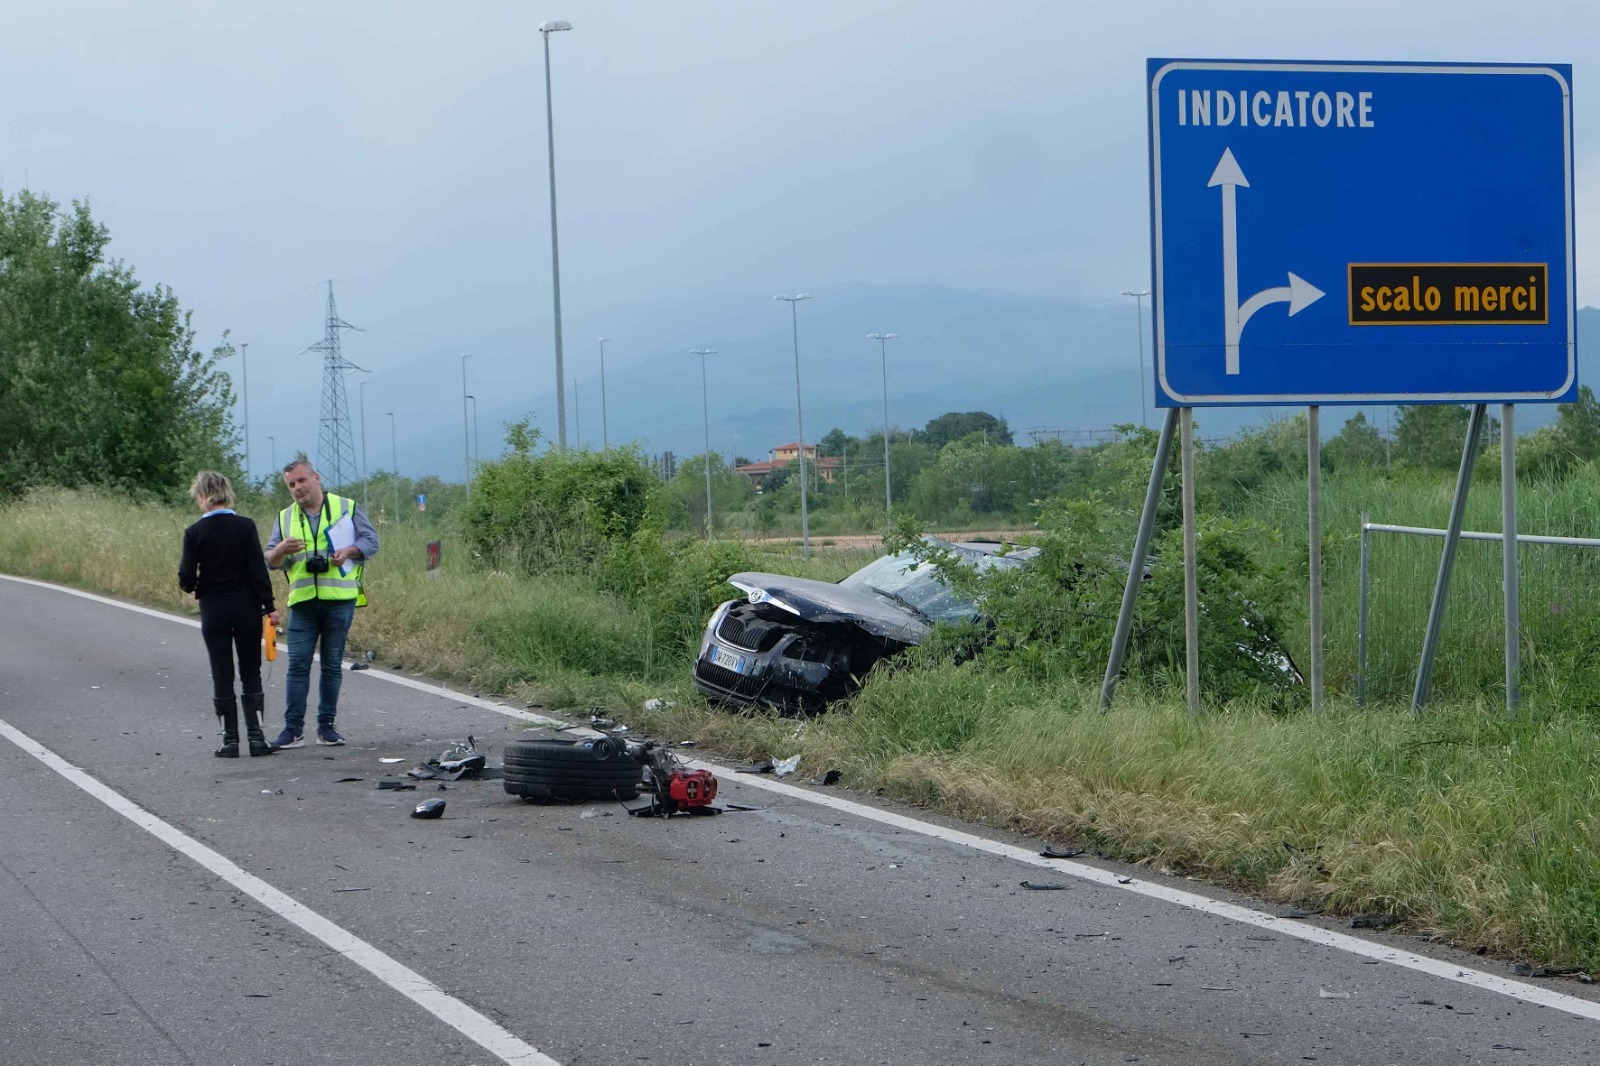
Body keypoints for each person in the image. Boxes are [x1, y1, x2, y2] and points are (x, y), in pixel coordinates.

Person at [264, 459, 380, 748]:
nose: (297, 488)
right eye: (291, 485)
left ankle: (326, 727)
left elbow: (371, 542)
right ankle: (293, 730)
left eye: (301, 481)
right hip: (302, 601)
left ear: (316, 478)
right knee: (297, 666)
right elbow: (270, 561)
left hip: (339, 599)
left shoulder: (346, 507)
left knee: (331, 665)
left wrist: (349, 551)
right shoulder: (285, 517)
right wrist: (280, 550)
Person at [178, 471, 278, 758]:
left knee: (222, 672)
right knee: (251, 670)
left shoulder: (194, 532)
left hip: (213, 607)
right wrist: (269, 607)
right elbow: (258, 572)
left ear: (201, 496)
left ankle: (229, 740)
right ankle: (257, 738)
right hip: (246, 606)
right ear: (226, 492)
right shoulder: (246, 527)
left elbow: (186, 577)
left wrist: (193, 584)